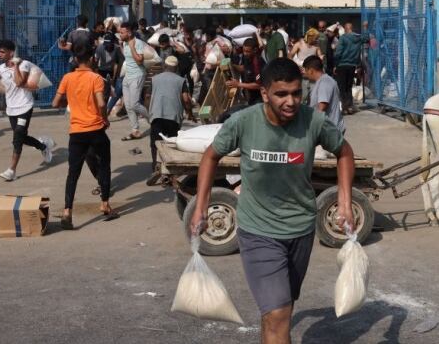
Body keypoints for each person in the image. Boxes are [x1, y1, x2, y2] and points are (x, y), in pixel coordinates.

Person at [190, 58, 355, 344]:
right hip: (258, 231)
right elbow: (210, 156)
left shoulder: (313, 121)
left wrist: (344, 201)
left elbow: (344, 152)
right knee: (279, 314)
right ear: (265, 93)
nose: (291, 101)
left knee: (280, 311)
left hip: (301, 229)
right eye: (281, 94)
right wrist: (201, 206)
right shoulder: (243, 122)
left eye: (296, 92)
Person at [52, 44, 117, 229]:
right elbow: (101, 102)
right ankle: (105, 204)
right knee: (104, 165)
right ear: (90, 59)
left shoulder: (67, 78)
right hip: (96, 130)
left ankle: (67, 212)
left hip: (77, 132)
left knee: (73, 172)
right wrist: (105, 119)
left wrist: (72, 99)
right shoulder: (96, 78)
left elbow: (55, 102)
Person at [0, 40, 54, 181]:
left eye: (2, 51)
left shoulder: (24, 64)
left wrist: (15, 66)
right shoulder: (0, 68)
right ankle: (43, 146)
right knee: (21, 137)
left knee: (17, 138)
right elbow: (1, 86)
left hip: (25, 106)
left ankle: (12, 170)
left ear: (11, 52)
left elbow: (20, 82)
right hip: (11, 109)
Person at [148, 56, 194, 178]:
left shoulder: (154, 79)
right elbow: (186, 99)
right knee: (172, 144)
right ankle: (171, 172)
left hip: (157, 115)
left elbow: (147, 97)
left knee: (155, 144)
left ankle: (156, 167)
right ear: (176, 68)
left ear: (164, 66)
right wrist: (190, 112)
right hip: (173, 117)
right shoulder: (181, 80)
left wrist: (150, 112)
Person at [118, 21, 150, 140]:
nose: (120, 34)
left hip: (137, 76)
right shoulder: (125, 43)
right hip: (127, 77)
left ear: (129, 33)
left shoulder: (138, 43)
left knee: (135, 104)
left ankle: (152, 119)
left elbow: (139, 61)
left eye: (122, 32)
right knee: (128, 106)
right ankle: (135, 130)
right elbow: (127, 56)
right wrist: (122, 46)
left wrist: (132, 47)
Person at [302, 55, 345, 133]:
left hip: (331, 131)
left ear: (311, 70)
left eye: (305, 70)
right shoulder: (322, 81)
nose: (305, 73)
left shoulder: (324, 82)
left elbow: (321, 108)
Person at [334, 21, 369, 114]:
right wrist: (365, 27)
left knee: (342, 87)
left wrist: (335, 64)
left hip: (342, 65)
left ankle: (344, 107)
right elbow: (366, 38)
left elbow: (338, 53)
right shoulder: (358, 38)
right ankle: (350, 107)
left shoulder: (343, 38)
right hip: (352, 65)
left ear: (345, 29)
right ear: (352, 28)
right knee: (349, 86)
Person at [227, 37, 264, 105]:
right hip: (251, 96)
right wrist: (233, 66)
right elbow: (245, 68)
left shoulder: (257, 63)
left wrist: (238, 84)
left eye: (247, 51)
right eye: (244, 51)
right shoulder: (248, 58)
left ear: (255, 50)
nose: (245, 53)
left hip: (260, 98)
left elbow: (258, 85)